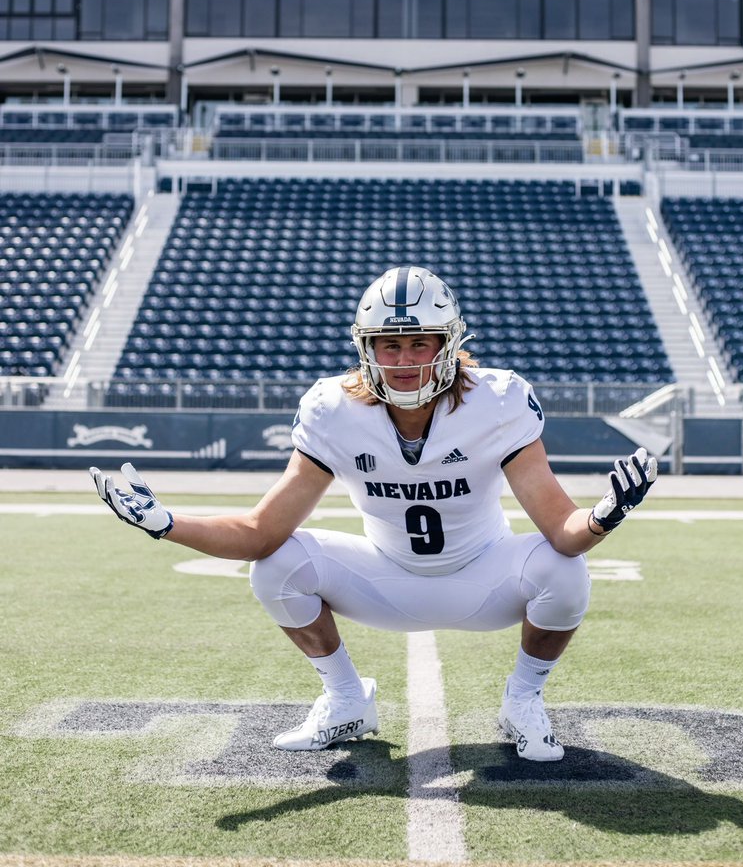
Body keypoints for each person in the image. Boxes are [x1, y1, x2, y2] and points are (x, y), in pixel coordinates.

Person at [90, 265, 657, 762]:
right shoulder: (333, 408)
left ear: (449, 343)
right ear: (367, 348)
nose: (405, 359)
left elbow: (562, 530)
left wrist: (605, 516)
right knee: (277, 565)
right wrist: (167, 525)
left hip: (485, 578)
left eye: (420, 343)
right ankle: (345, 699)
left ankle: (522, 700)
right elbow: (261, 533)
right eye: (390, 345)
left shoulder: (498, 400)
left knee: (563, 569)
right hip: (385, 580)